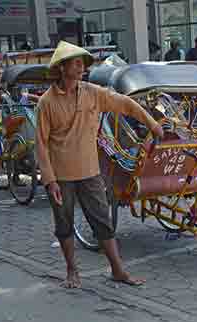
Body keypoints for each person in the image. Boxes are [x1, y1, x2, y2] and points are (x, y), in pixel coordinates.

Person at [36, 41, 164, 288]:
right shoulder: (46, 102)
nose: (81, 66)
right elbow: (40, 144)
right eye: (75, 62)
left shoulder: (93, 92)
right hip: (61, 176)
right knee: (64, 225)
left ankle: (118, 270)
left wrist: (151, 122)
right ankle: (72, 271)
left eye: (82, 62)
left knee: (102, 222)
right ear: (62, 68)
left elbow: (125, 104)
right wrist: (49, 180)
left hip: (90, 172)